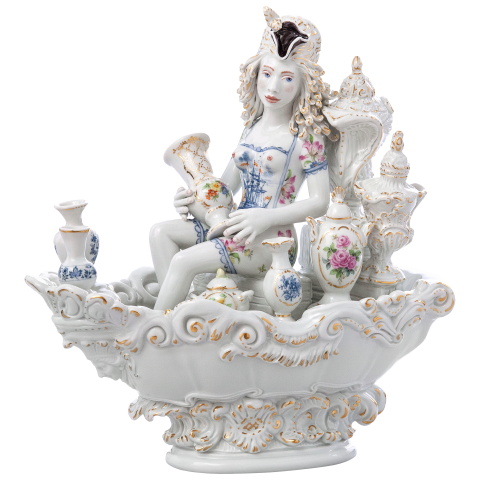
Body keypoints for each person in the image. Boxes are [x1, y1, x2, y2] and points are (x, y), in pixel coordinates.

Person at [150, 7, 337, 311]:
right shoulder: (251, 128)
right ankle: (179, 313)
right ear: (255, 72)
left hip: (271, 240)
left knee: (184, 261)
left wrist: (266, 217)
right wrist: (190, 199)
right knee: (160, 232)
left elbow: (320, 202)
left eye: (287, 78)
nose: (273, 87)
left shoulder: (306, 136)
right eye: (267, 74)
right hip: (235, 225)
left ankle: (158, 326)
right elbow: (226, 187)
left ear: (304, 83)